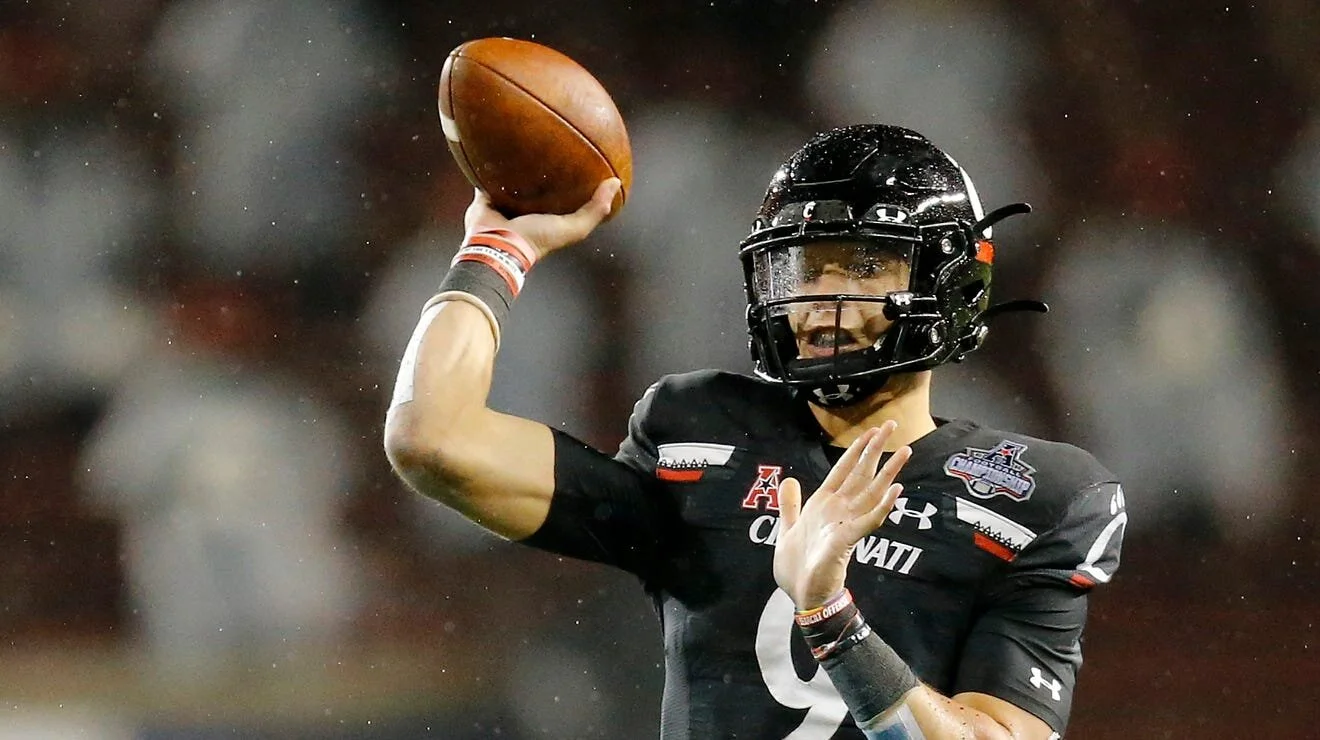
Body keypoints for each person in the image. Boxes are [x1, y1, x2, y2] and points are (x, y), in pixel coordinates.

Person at [384, 124, 1125, 739]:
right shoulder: (698, 434)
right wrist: (498, 250)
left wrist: (830, 614)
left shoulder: (1038, 496)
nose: (819, 299)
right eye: (800, 269)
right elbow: (431, 439)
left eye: (861, 267)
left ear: (951, 282)